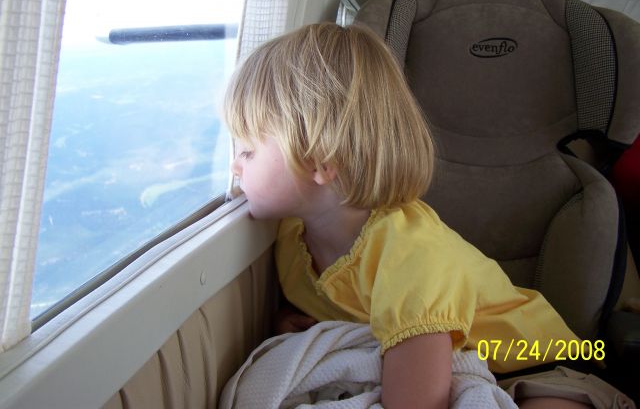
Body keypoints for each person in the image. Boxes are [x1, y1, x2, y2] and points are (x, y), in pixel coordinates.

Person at [224, 23, 631, 409]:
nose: (235, 168)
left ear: (320, 160)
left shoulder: (409, 255)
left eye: (247, 151)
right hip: (450, 363)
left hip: (542, 363)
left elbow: (415, 404)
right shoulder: (292, 234)